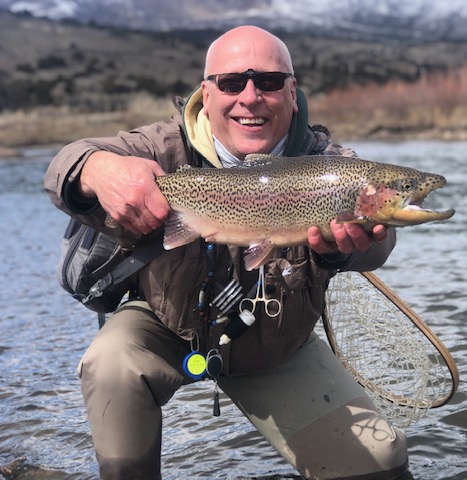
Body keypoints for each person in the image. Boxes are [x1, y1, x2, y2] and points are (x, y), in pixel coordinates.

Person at [45, 25, 410, 480]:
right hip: (162, 327)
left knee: (380, 463)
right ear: (206, 92)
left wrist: (344, 252)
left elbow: (380, 245)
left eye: (270, 82)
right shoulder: (161, 148)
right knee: (109, 362)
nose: (250, 97)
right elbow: (63, 165)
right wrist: (98, 169)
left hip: (276, 346)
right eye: (232, 83)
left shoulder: (331, 167)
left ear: (293, 93)